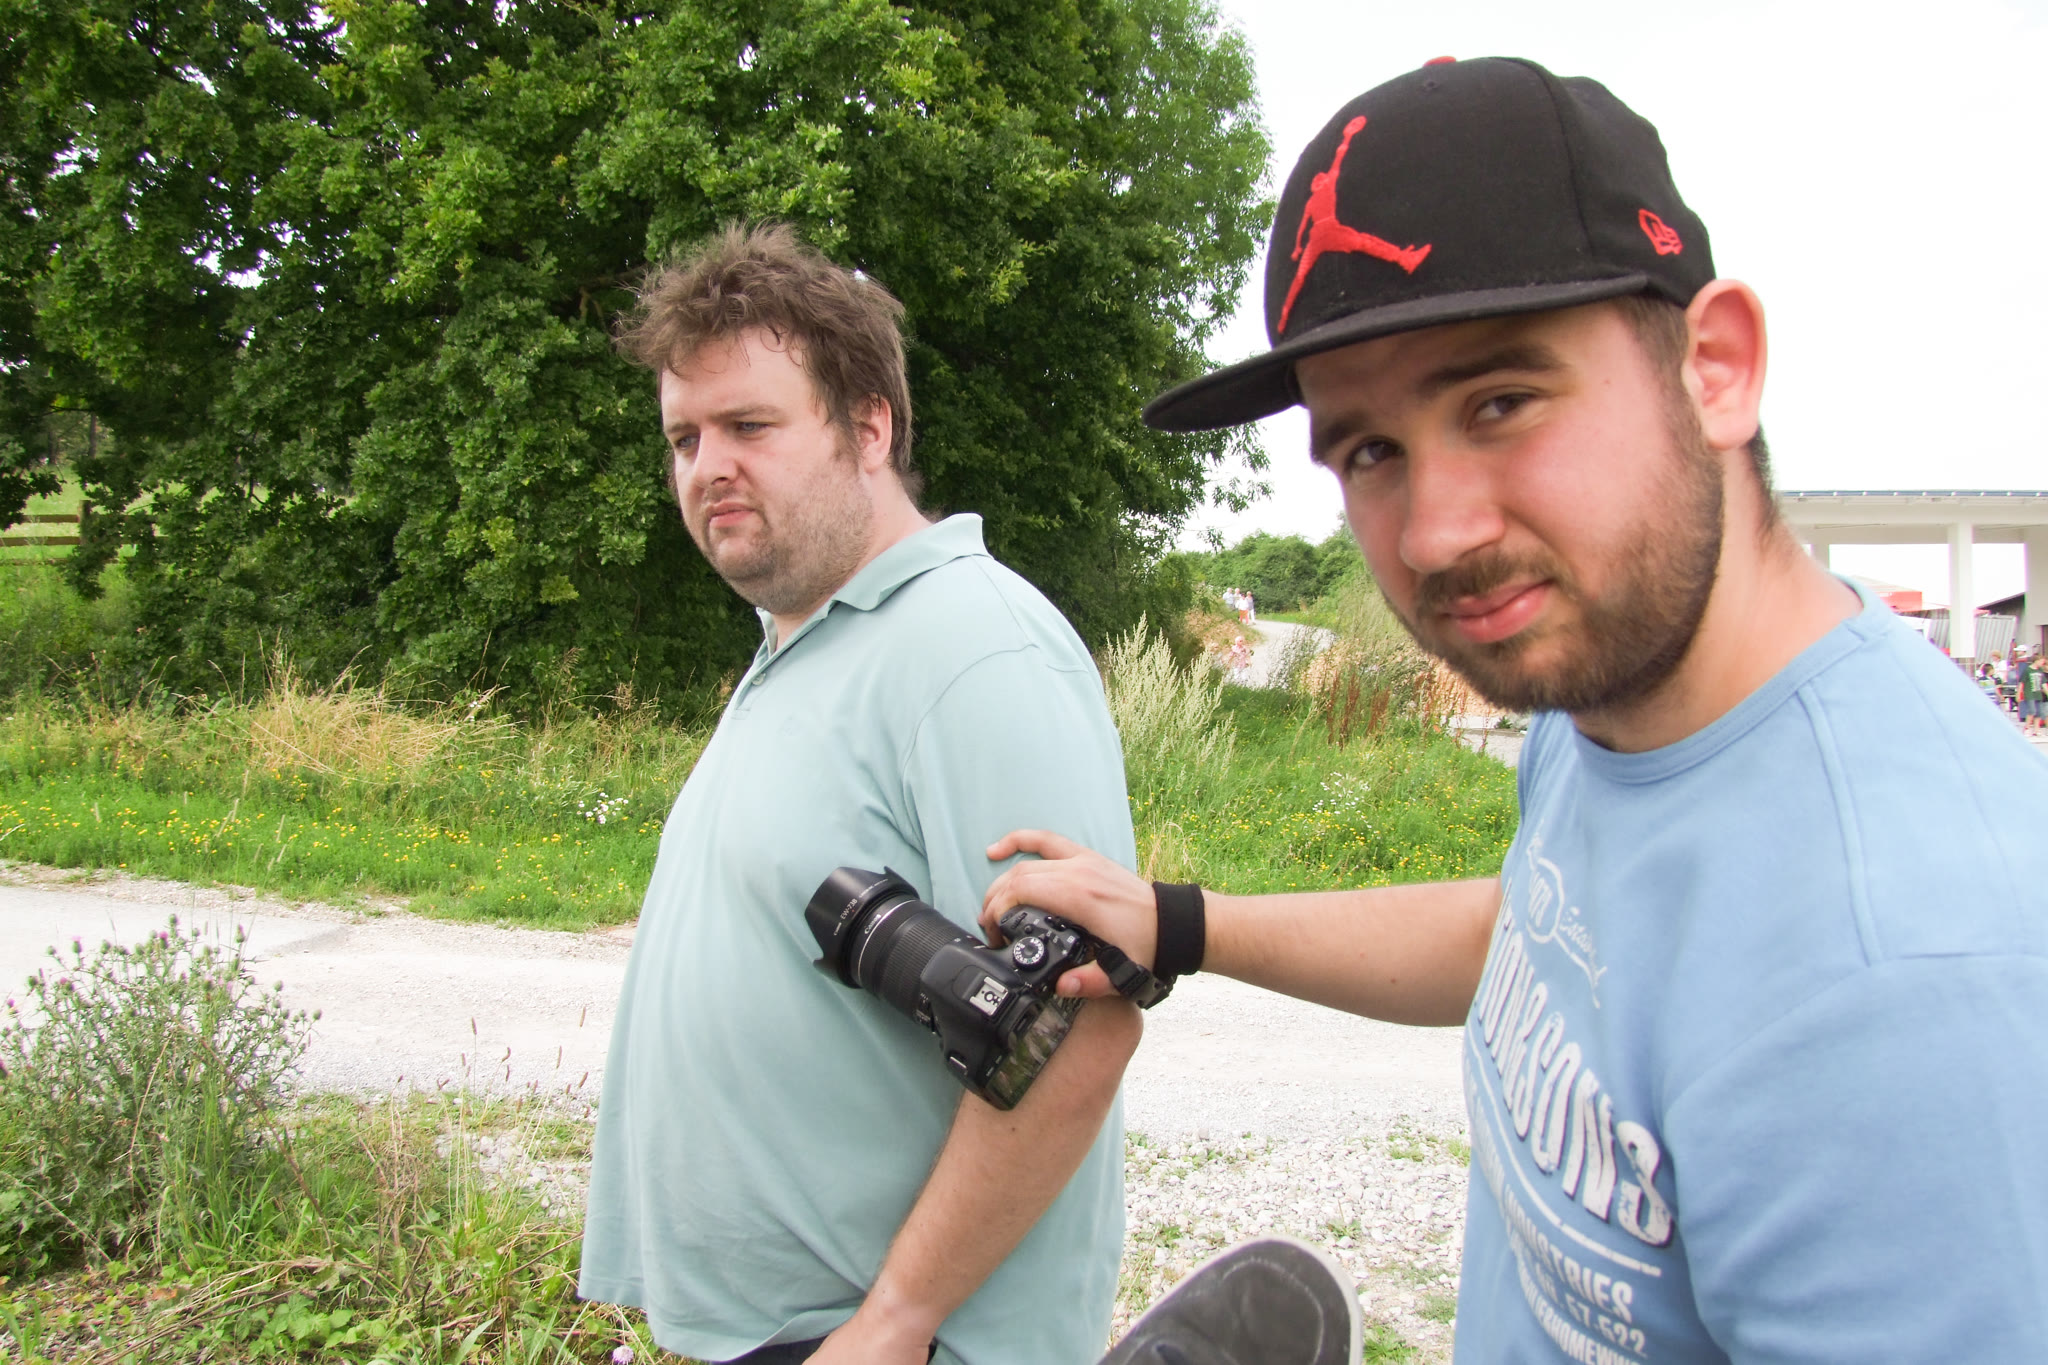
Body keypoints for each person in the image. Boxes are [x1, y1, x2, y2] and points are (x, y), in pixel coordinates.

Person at [981, 57, 2048, 1361]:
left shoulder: (1915, 985)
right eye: (1370, 449)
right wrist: (1181, 922)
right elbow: (1539, 932)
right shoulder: (1605, 692)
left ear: (1715, 368)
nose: (1434, 534)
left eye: (1499, 402)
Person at [577, 224, 1143, 1365]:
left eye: (749, 426)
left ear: (869, 427)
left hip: (888, 1341)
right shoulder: (800, 641)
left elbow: (1077, 1025)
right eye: (684, 436)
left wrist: (897, 1320)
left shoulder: (974, 648)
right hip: (778, 1330)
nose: (706, 465)